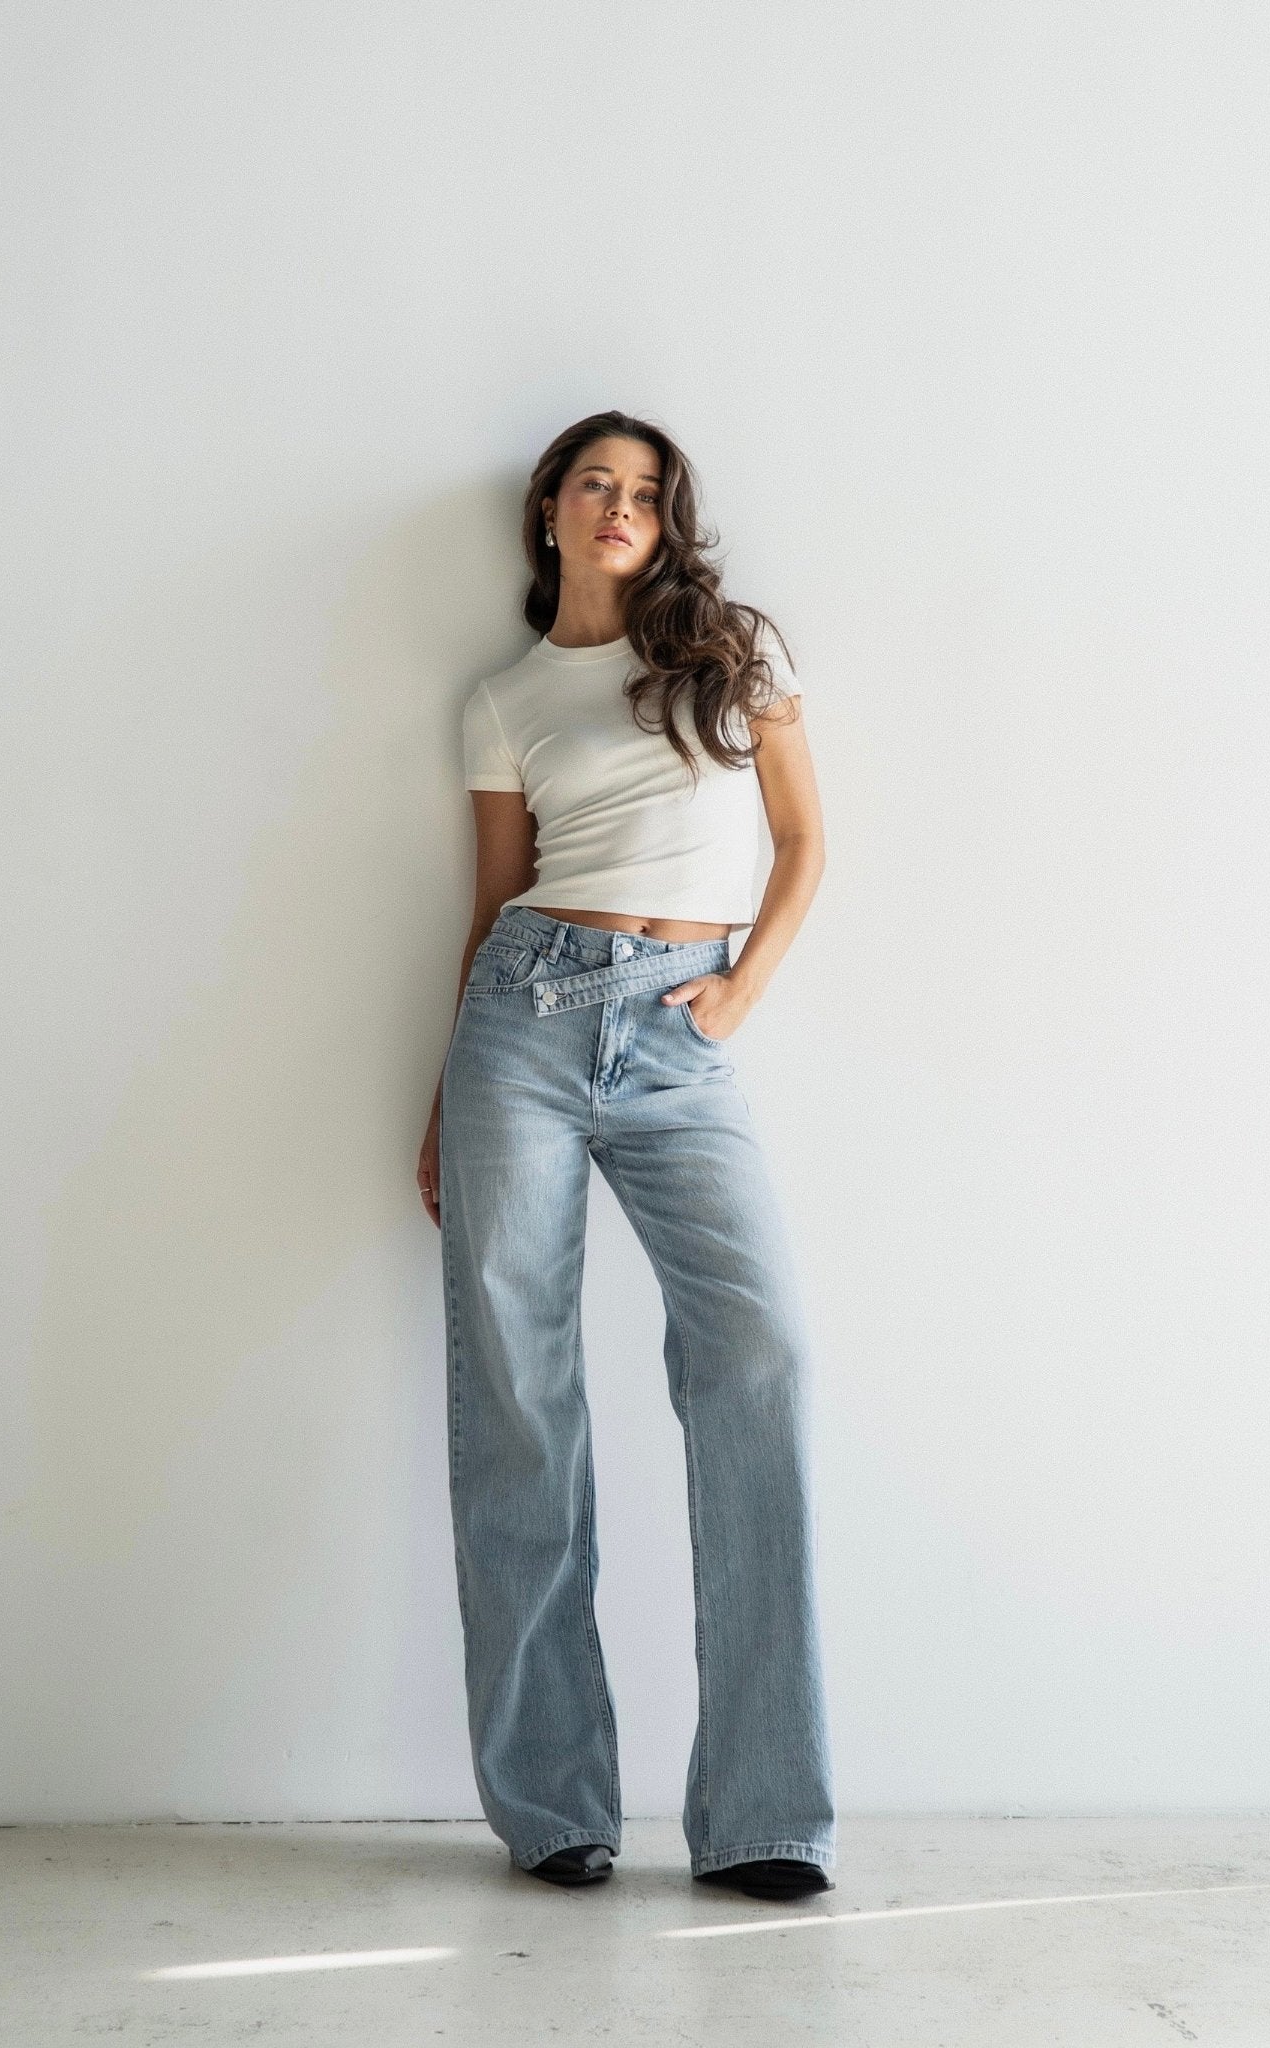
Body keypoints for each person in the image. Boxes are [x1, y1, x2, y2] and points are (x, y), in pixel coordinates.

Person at [416, 409, 836, 1904]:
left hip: (681, 1035)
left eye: (646, 490)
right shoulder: (505, 697)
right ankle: (554, 1810)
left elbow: (803, 842)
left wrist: (736, 993)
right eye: (594, 482)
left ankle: (766, 1815)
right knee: (520, 1404)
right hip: (518, 1029)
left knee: (760, 1360)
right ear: (547, 508)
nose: (618, 505)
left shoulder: (732, 652)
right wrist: (436, 1105)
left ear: (669, 520)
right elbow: (490, 902)